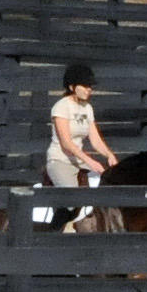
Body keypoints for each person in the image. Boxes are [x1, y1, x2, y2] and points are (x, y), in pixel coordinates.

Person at [44, 60, 119, 228]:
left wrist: (109, 155)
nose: (89, 89)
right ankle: (52, 233)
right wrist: (91, 162)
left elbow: (95, 139)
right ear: (72, 86)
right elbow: (66, 143)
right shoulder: (61, 107)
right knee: (73, 200)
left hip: (80, 161)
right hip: (61, 161)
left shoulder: (87, 108)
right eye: (85, 86)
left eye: (90, 86)